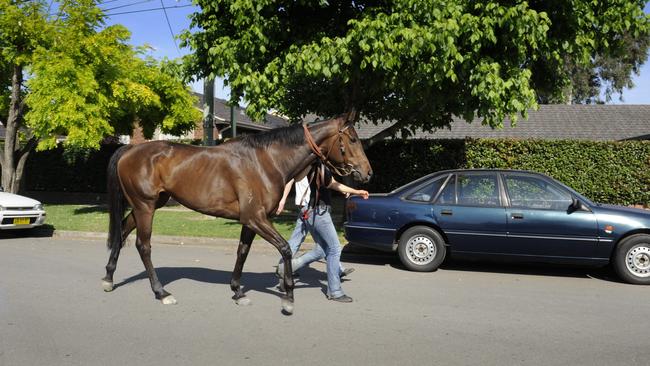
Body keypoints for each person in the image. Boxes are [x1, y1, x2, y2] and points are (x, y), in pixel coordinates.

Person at [275, 162, 369, 303]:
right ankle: (335, 291)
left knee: (321, 249)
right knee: (334, 248)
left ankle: (286, 269)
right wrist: (358, 191)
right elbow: (331, 183)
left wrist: (349, 190)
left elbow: (330, 182)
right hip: (319, 211)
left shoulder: (310, 163)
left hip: (311, 211)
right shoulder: (318, 165)